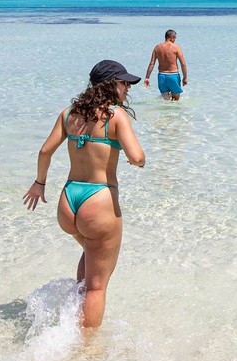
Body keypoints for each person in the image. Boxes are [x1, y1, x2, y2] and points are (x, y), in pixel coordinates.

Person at [23, 60, 146, 331]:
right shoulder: (116, 116)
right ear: (109, 85)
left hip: (69, 202)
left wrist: (39, 183)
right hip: (98, 201)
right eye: (123, 82)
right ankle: (86, 350)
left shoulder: (69, 114)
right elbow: (137, 157)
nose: (127, 88)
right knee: (97, 288)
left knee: (90, 259)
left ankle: (73, 318)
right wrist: (137, 162)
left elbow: (45, 151)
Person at [145, 29, 189, 100]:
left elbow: (151, 63)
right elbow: (183, 64)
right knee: (175, 101)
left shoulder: (157, 47)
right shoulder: (176, 47)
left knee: (165, 100)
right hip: (173, 76)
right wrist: (185, 78)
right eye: (175, 38)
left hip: (161, 76)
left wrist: (147, 77)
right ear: (172, 37)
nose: (175, 40)